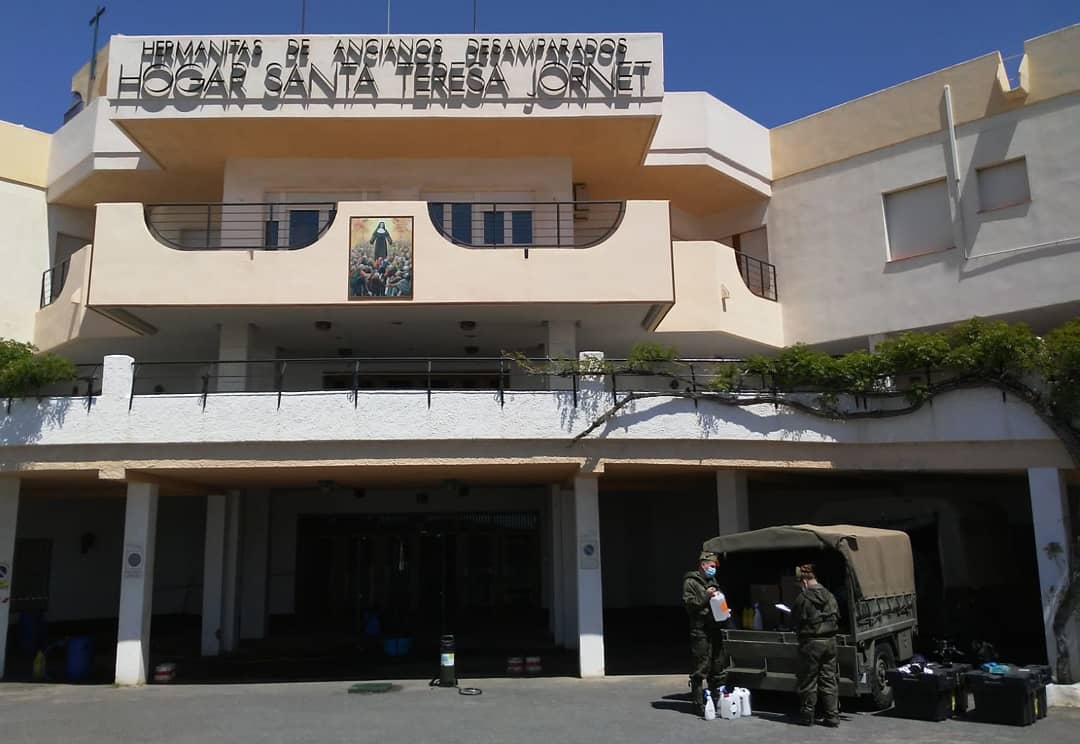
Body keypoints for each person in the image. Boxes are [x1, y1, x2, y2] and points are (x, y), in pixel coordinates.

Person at [792, 563, 841, 727]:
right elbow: (837, 616)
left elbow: (794, 621)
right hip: (830, 642)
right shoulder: (830, 595)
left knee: (809, 679)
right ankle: (832, 716)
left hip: (810, 644)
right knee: (829, 678)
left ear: (804, 581)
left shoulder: (803, 598)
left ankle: (807, 717)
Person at [682, 551, 728, 715]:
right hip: (700, 629)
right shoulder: (691, 582)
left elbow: (718, 600)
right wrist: (706, 596)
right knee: (701, 665)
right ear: (703, 565)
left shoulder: (712, 580)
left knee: (717, 663)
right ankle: (698, 703)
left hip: (715, 627)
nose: (714, 569)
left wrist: (724, 610)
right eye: (712, 566)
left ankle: (717, 700)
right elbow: (690, 605)